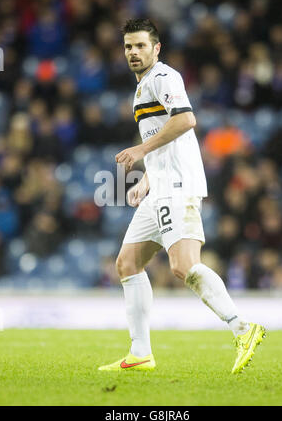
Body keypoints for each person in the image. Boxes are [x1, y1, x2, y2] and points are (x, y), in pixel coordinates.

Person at [98, 19, 265, 374]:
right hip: (160, 185)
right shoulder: (142, 88)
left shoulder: (163, 77)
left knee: (182, 265)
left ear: (156, 48)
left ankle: (242, 328)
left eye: (141, 45)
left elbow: (186, 120)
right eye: (128, 46)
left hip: (178, 186)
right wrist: (147, 180)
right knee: (127, 263)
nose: (133, 52)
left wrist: (141, 151)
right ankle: (140, 352)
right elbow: (166, 137)